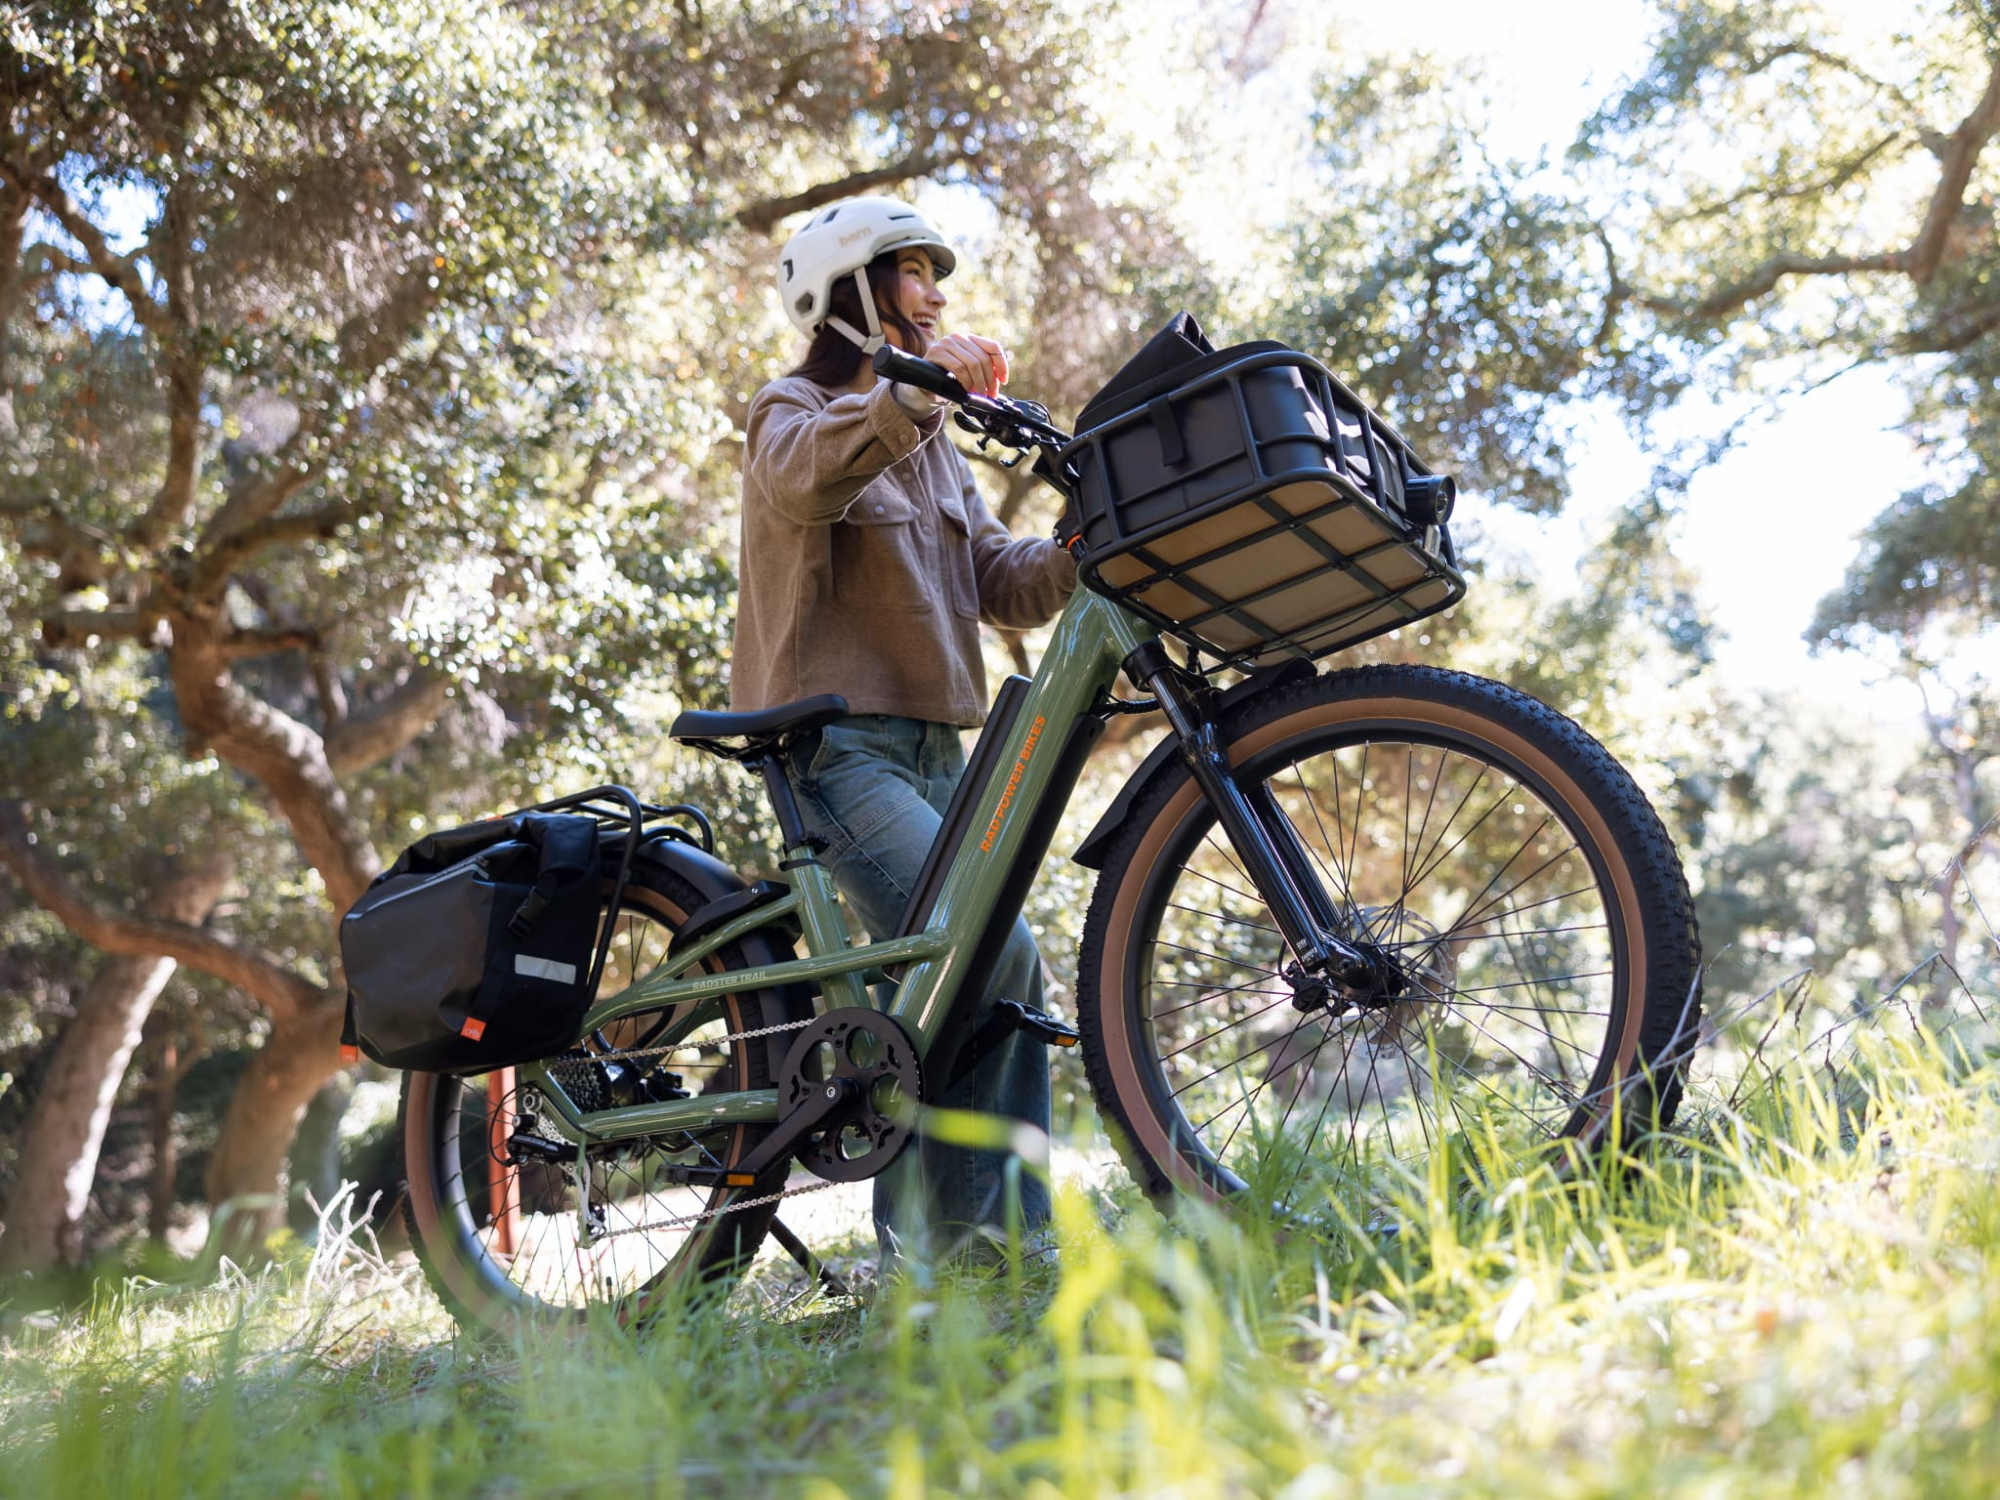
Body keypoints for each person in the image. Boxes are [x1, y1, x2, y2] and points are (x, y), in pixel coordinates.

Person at [731, 197, 1075, 1270]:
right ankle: (951, 1248)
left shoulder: (933, 454)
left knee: (996, 982)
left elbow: (1001, 585)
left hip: (939, 753)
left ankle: (988, 1243)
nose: (936, 295)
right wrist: (913, 397)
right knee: (988, 952)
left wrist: (1081, 542)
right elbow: (807, 476)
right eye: (914, 273)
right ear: (850, 291)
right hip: (835, 750)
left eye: (935, 275)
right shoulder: (789, 410)